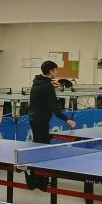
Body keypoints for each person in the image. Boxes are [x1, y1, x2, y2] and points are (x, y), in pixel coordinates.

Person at [27, 61, 76, 190]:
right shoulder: (47, 86)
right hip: (41, 120)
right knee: (43, 150)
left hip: (33, 118)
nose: (57, 72)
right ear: (50, 71)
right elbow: (54, 107)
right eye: (56, 70)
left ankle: (35, 178)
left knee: (37, 147)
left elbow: (42, 93)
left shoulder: (37, 82)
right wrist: (67, 119)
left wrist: (52, 87)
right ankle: (41, 181)